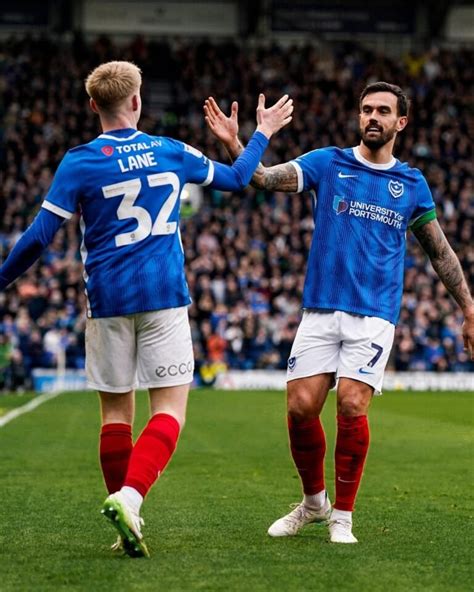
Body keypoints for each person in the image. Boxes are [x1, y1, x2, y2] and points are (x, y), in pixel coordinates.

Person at [0, 61, 293, 557]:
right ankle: (130, 500)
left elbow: (38, 237)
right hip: (164, 297)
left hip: (107, 301)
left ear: (93, 105)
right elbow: (240, 177)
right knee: (170, 411)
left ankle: (125, 526)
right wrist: (254, 134)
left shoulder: (78, 162)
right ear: (137, 101)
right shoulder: (170, 150)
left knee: (116, 415)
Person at [204, 82, 474, 543]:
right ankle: (314, 504)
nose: (373, 117)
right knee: (300, 407)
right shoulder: (328, 162)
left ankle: (343, 517)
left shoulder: (411, 184)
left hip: (374, 313)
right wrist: (238, 143)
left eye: (383, 111)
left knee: (351, 403)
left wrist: (468, 307)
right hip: (321, 308)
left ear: (401, 122)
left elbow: (440, 253)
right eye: (367, 109)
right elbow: (263, 178)